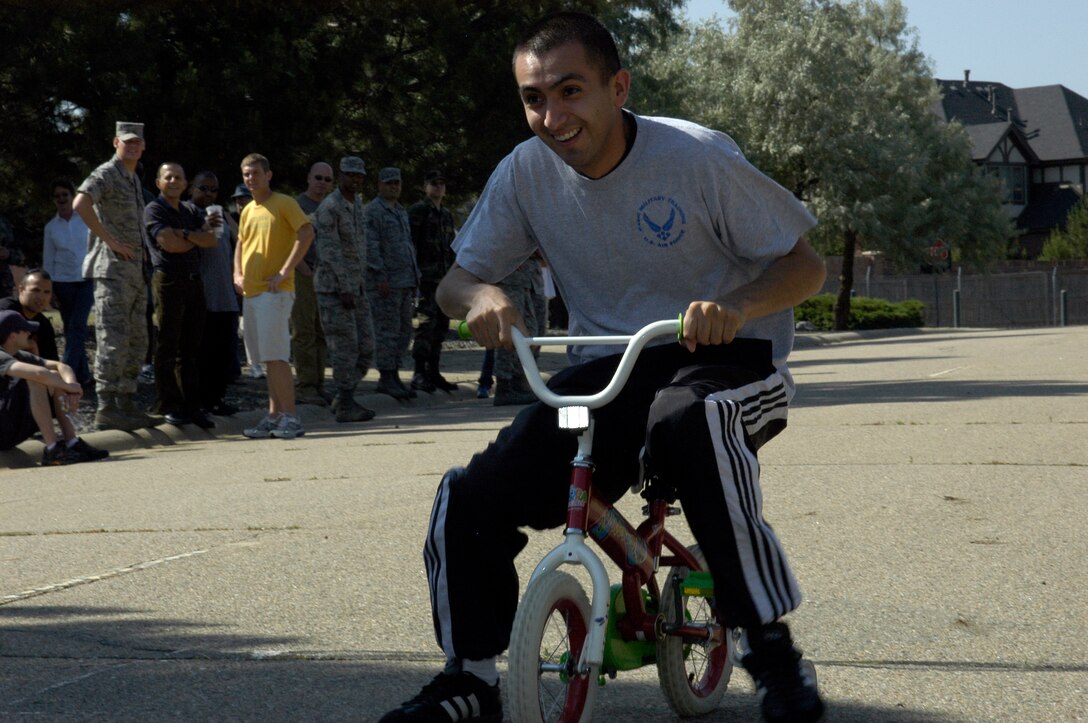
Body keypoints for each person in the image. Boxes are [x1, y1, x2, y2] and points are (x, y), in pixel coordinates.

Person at [380, 12, 827, 723]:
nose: (552, 116)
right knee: (471, 493)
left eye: (570, 91)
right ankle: (469, 678)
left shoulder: (694, 157)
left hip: (726, 358)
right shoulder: (525, 173)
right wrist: (483, 295)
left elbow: (806, 265)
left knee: (692, 420)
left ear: (617, 87)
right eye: (534, 98)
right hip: (609, 366)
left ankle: (771, 652)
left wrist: (734, 308)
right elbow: (454, 284)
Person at [73, 121, 150, 432]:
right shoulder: (107, 172)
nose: (132, 147)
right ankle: (106, 405)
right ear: (115, 142)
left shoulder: (131, 177)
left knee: (136, 339)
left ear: (143, 146)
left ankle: (126, 402)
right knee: (113, 340)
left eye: (137, 143)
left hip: (135, 271)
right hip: (113, 270)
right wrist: (110, 241)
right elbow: (80, 203)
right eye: (127, 142)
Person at [233, 153, 314, 440]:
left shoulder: (284, 203)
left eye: (255, 173)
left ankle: (290, 416)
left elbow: (306, 233)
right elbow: (241, 243)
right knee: (267, 358)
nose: (250, 178)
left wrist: (285, 270)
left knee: (278, 355)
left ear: (268, 175)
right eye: (246, 174)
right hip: (252, 293)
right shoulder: (247, 210)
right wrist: (237, 274)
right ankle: (274, 415)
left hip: (275, 292)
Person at [143, 162, 219, 428]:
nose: (173, 181)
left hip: (194, 282)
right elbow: (169, 245)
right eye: (168, 177)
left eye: (178, 177)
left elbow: (212, 240)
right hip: (168, 281)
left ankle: (192, 405)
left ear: (185, 184)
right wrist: (194, 237)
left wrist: (185, 233)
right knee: (168, 344)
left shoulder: (188, 210)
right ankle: (169, 403)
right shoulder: (154, 209)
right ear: (158, 182)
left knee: (191, 347)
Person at [313, 156, 377, 423]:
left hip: (357, 287)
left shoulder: (357, 204)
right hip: (335, 289)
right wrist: (343, 287)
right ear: (341, 176)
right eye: (350, 175)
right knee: (345, 347)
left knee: (367, 346)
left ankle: (344, 395)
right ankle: (345, 402)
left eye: (359, 175)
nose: (355, 179)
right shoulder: (330, 207)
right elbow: (330, 251)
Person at [0, 310, 108, 466]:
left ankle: (72, 443)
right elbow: (38, 373)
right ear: (12, 336)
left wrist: (71, 387)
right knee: (40, 379)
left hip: (9, 424)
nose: (29, 333)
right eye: (25, 329)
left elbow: (60, 366)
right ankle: (52, 450)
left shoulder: (18, 354)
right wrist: (69, 386)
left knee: (52, 376)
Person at [364, 166, 419, 400]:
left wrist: (415, 276)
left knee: (403, 331)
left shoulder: (399, 211)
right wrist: (380, 276)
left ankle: (395, 373)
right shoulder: (373, 211)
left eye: (396, 182)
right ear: (380, 186)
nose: (393, 187)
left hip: (405, 281)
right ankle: (386, 377)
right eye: (388, 183)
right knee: (386, 331)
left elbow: (406, 244)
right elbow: (371, 246)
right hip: (386, 284)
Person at [190, 171, 241, 416]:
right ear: (192, 188)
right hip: (203, 294)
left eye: (213, 190)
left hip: (226, 294)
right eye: (204, 188)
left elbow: (240, 238)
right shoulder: (188, 211)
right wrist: (205, 224)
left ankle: (217, 398)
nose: (208, 194)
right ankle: (201, 399)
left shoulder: (220, 213)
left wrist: (226, 216)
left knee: (223, 351)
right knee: (204, 351)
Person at [407, 169, 458, 393]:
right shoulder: (418, 211)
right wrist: (414, 274)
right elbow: (411, 245)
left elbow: (452, 247)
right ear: (425, 186)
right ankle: (419, 372)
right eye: (433, 183)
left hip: (444, 279)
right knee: (425, 325)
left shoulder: (445, 214)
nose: (438, 187)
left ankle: (433, 371)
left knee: (441, 326)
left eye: (441, 184)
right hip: (425, 279)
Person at [42, 179, 94, 384]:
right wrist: (49, 288)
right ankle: (83, 376)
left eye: (65, 194)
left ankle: (66, 377)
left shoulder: (87, 220)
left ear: (72, 196)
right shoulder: (51, 227)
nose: (62, 199)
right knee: (71, 327)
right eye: (58, 196)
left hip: (86, 280)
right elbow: (48, 258)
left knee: (77, 327)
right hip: (62, 282)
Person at [292, 161, 334, 406]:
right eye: (318, 177)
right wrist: (301, 266)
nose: (322, 183)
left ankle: (318, 384)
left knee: (321, 332)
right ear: (308, 178)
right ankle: (305, 385)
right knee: (304, 330)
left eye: (327, 180)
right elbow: (287, 238)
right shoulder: (297, 205)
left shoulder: (330, 206)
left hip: (326, 276)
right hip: (304, 274)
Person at [0, 269, 59, 361]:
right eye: (36, 290)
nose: (41, 297)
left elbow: (52, 362)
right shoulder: (6, 311)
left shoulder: (44, 325)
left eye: (46, 292)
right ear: (21, 290)